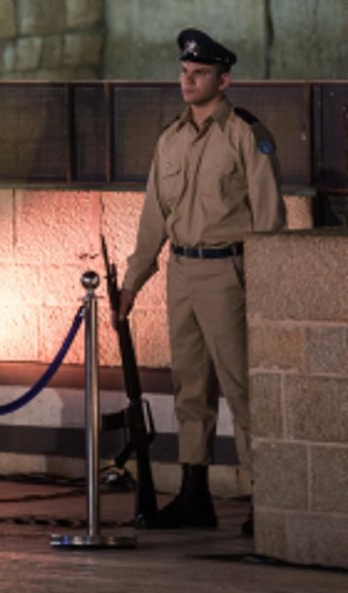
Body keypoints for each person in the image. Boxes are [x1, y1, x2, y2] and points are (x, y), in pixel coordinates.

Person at [118, 27, 285, 532]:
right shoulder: (170, 139)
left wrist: (268, 288)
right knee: (190, 386)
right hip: (182, 271)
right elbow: (154, 217)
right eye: (184, 73)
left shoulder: (246, 135)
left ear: (224, 80)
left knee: (241, 386)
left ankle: (268, 496)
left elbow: (269, 218)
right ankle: (195, 494)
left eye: (200, 73)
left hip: (227, 272)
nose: (188, 81)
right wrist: (132, 280)